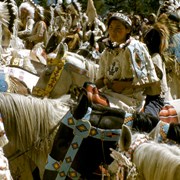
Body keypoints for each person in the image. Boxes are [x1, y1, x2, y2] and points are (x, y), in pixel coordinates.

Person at [95, 12, 159, 113]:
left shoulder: (135, 48)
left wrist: (123, 85)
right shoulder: (107, 52)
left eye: (118, 28)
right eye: (111, 28)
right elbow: (101, 79)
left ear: (128, 30)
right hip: (109, 94)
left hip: (130, 99)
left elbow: (149, 81)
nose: (113, 32)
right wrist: (89, 87)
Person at [142, 21, 173, 118]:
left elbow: (156, 78)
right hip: (149, 95)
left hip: (155, 98)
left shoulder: (155, 58)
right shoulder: (151, 56)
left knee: (148, 118)